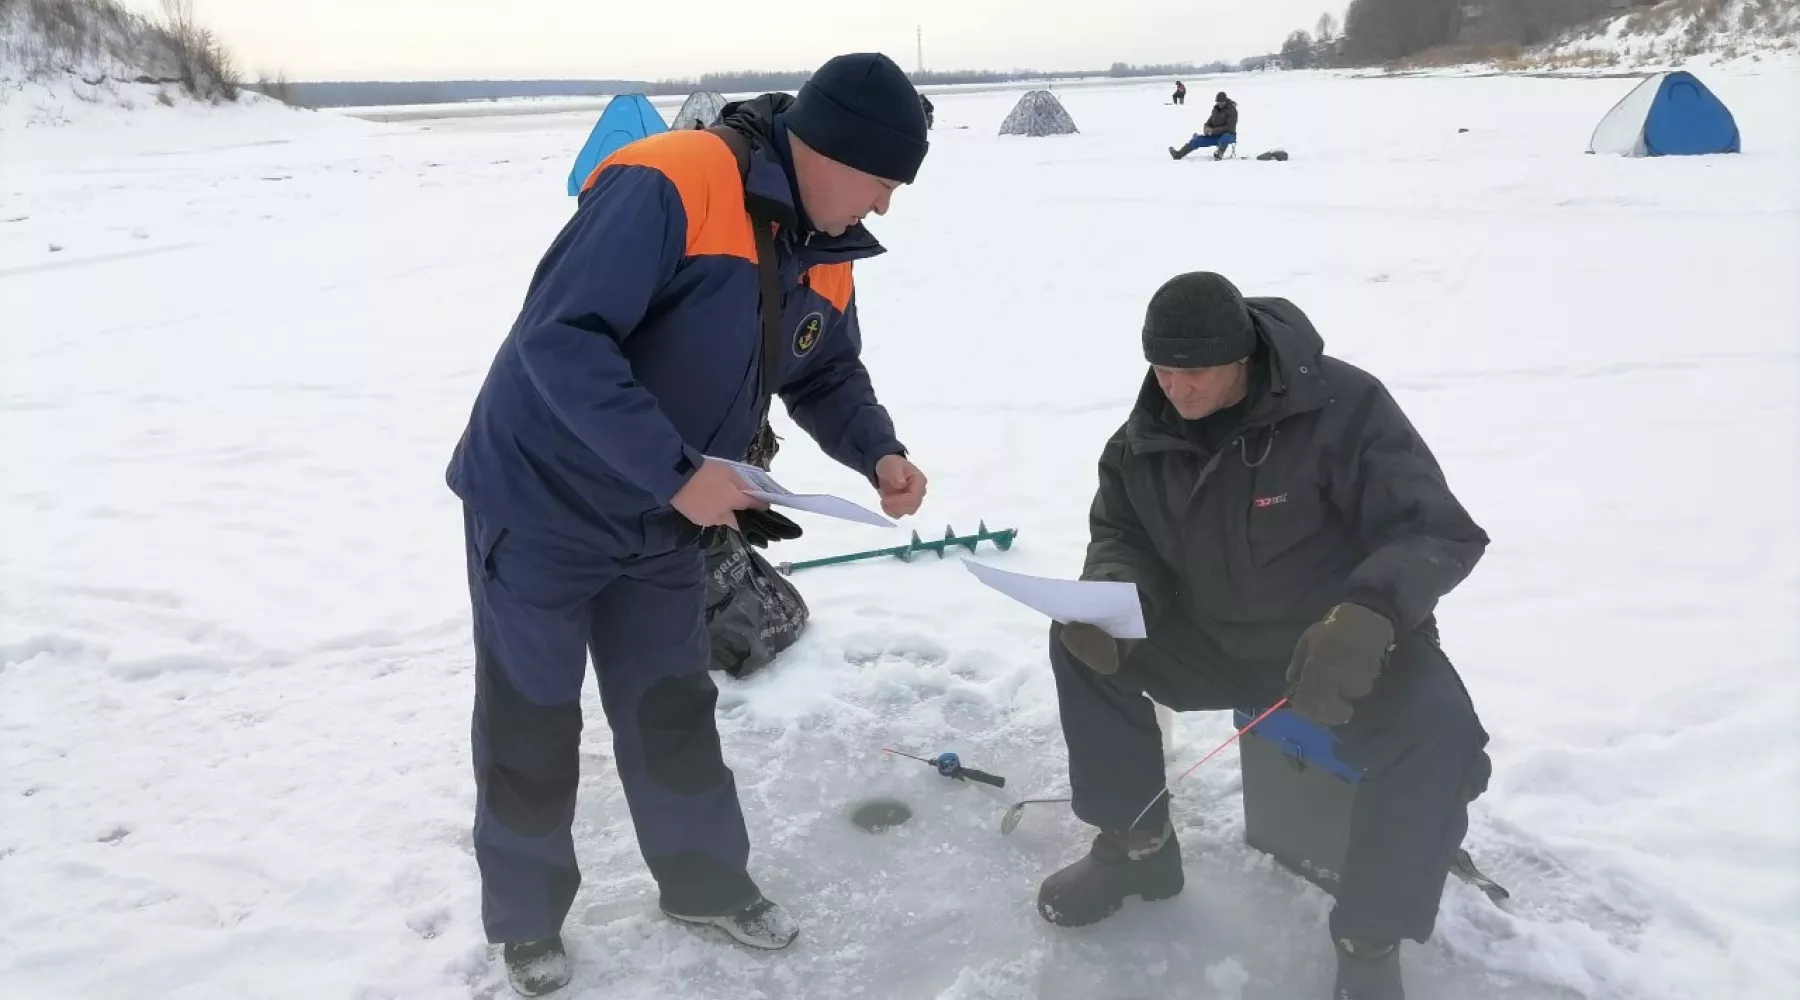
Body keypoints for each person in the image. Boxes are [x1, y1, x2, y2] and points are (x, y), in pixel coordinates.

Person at [445, 52, 931, 996]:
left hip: (667, 522)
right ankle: (527, 921)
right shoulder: (673, 179)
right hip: (542, 506)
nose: (883, 207)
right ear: (832, 153)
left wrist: (877, 451)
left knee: (672, 707)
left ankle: (705, 883)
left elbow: (823, 371)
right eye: (883, 181)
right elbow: (560, 336)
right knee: (530, 719)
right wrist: (676, 472)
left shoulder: (824, 250)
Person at [1037, 272, 1492, 1000]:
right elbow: (1122, 533)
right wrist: (1118, 598)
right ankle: (1137, 846)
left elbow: (1435, 529)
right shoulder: (1141, 437)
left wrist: (1370, 614)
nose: (1175, 390)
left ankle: (1370, 935)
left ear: (1243, 358)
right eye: (1161, 369)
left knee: (1438, 731)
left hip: (1338, 647)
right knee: (1080, 648)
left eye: (1194, 373)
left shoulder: (1346, 408)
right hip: (1212, 639)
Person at [1169, 91, 1238, 160]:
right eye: (1218, 102)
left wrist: (1213, 130)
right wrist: (1206, 129)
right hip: (1215, 136)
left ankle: (1219, 154)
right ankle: (1178, 154)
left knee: (1225, 137)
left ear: (1225, 101)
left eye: (1221, 102)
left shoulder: (1232, 110)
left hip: (1229, 136)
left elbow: (1230, 128)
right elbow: (1208, 122)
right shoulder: (1215, 110)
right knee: (1197, 140)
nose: (1219, 104)